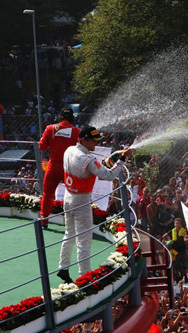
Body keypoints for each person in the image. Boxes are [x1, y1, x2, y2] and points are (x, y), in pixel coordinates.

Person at [57, 127, 133, 282]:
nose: (96, 143)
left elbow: (98, 167)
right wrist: (122, 160)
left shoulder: (69, 150)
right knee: (84, 239)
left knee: (69, 234)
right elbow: (109, 175)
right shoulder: (87, 160)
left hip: (68, 196)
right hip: (82, 200)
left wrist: (115, 156)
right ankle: (85, 276)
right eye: (93, 141)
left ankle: (63, 268)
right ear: (83, 140)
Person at [38, 109, 79, 229]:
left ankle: (44, 221)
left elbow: (42, 146)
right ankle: (75, 222)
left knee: (47, 194)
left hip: (53, 167)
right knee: (74, 194)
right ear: (72, 118)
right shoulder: (77, 131)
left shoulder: (50, 128)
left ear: (60, 117)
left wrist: (54, 143)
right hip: (69, 167)